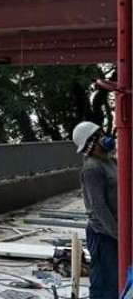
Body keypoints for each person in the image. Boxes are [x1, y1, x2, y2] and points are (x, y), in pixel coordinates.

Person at [73, 121, 118, 299]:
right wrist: (117, 232)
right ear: (92, 143)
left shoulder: (110, 161)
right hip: (102, 233)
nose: (104, 138)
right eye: (99, 136)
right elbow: (98, 206)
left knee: (117, 278)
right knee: (105, 282)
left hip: (114, 230)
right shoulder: (92, 168)